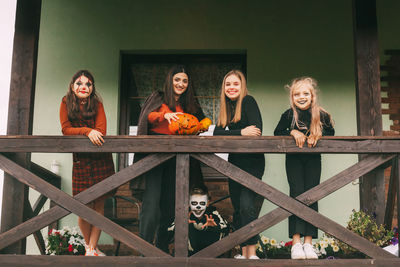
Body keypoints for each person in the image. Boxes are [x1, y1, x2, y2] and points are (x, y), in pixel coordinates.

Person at [135, 65, 206, 253]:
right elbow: (146, 117)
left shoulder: (191, 104)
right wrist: (164, 115)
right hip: (154, 158)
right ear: (170, 80)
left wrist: (200, 126)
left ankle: (161, 250)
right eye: (177, 79)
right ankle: (145, 251)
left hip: (178, 161)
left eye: (184, 81)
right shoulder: (158, 97)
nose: (180, 84)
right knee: (151, 206)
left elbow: (201, 123)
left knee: (170, 206)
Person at [274, 77, 334, 260]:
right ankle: (296, 243)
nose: (301, 97)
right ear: (292, 98)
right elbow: (277, 132)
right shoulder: (288, 115)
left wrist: (319, 133)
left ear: (312, 96)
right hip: (294, 160)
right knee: (296, 195)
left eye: (305, 93)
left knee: (312, 195)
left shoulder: (321, 114)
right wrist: (293, 131)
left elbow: (331, 133)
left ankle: (309, 242)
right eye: (297, 94)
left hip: (313, 160)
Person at [59, 70, 115, 256]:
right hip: (81, 160)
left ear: (92, 88)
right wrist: (86, 131)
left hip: (100, 159)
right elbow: (66, 130)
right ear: (72, 86)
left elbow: (101, 130)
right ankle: (90, 247)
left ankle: (91, 249)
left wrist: (91, 132)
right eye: (79, 83)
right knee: (83, 206)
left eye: (88, 84)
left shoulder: (97, 104)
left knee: (99, 205)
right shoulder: (66, 103)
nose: (84, 87)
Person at [213, 70, 265, 260]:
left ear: (242, 86)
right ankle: (243, 253)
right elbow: (216, 134)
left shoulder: (248, 101)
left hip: (252, 162)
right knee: (237, 207)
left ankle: (252, 254)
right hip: (234, 162)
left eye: (236, 84)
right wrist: (241, 132)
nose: (231, 87)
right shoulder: (226, 107)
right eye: (228, 84)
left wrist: (236, 133)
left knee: (247, 206)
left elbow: (257, 130)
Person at [167, 186, 229, 256]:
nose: (198, 207)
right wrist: (182, 224)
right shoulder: (185, 215)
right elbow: (169, 230)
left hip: (212, 254)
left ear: (207, 203)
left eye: (202, 203)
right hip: (190, 255)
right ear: (189, 203)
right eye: (194, 203)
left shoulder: (213, 212)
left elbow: (227, 228)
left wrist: (215, 226)